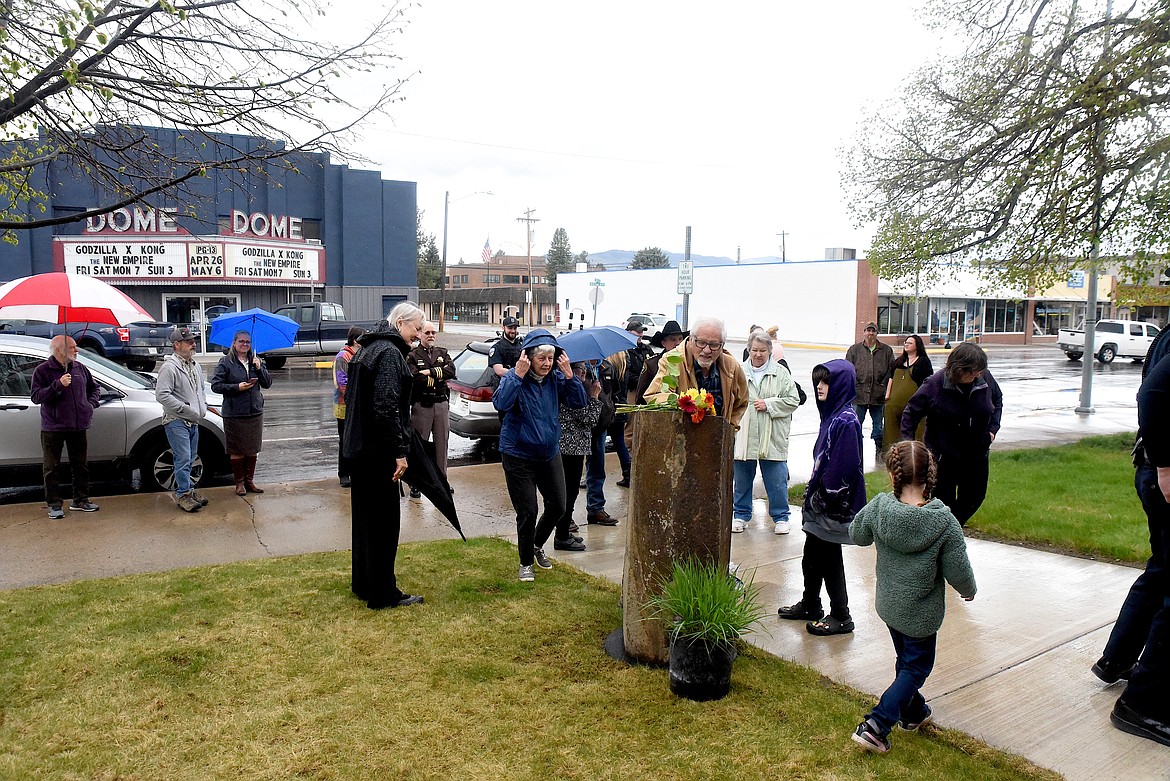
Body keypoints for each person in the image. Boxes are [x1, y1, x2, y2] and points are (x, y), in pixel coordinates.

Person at [848, 440, 977, 753]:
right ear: (930, 476)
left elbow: (857, 534)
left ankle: (913, 713)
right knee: (916, 668)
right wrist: (968, 590)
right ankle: (877, 724)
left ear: (894, 475)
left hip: (891, 605)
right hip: (920, 614)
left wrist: (872, 517)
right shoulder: (944, 522)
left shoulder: (880, 507)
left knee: (907, 664)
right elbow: (957, 567)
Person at [1094, 348, 1170, 747]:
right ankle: (1144, 704)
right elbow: (1152, 395)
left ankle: (1117, 660)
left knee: (1162, 570)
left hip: (1152, 469)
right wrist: (1165, 464)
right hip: (1162, 475)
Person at [342, 303, 426, 610]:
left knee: (366, 521)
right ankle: (383, 592)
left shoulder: (368, 347)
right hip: (378, 453)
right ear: (400, 322)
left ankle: (365, 584)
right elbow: (386, 407)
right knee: (384, 523)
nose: (418, 336)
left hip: (361, 450)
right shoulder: (389, 353)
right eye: (416, 329)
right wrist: (399, 452)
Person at [778, 359, 865, 636]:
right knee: (811, 555)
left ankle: (841, 615)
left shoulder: (847, 420)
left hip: (833, 504)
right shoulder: (832, 415)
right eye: (818, 381)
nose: (819, 386)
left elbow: (844, 467)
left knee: (829, 557)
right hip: (820, 501)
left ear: (839, 385)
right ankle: (811, 603)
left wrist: (823, 498)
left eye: (826, 381)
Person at [493, 328, 587, 582]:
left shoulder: (556, 379)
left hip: (548, 453)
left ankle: (535, 544)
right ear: (528, 358)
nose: (546, 364)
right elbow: (500, 403)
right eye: (541, 358)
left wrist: (570, 376)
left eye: (550, 358)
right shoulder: (515, 377)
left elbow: (579, 402)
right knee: (528, 511)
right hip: (518, 455)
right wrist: (518, 375)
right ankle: (525, 563)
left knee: (558, 505)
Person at [901, 343, 1002, 526]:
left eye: (979, 371)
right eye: (971, 372)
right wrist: (909, 447)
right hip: (943, 457)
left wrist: (992, 430)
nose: (976, 376)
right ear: (958, 369)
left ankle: (951, 530)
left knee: (974, 498)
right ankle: (946, 536)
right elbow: (911, 413)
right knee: (942, 502)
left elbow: (997, 400)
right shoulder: (935, 384)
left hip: (976, 454)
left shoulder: (984, 378)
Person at [732, 329, 801, 535]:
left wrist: (769, 405)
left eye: (763, 350)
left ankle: (781, 517)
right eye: (754, 350)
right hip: (745, 435)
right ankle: (741, 514)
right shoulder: (739, 371)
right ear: (749, 350)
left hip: (772, 437)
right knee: (742, 479)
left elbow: (793, 400)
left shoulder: (781, 373)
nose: (758, 354)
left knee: (776, 480)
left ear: (770, 351)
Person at [29, 335, 101, 518]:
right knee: (52, 467)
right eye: (72, 348)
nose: (76, 351)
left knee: (80, 465)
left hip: (78, 425)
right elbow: (36, 397)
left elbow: (94, 388)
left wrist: (90, 404)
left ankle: (81, 499)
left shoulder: (80, 368)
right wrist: (58, 385)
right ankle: (54, 503)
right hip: (53, 427)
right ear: (59, 350)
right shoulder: (43, 370)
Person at [645, 316, 749, 431]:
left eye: (714, 345)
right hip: (682, 440)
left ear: (722, 346)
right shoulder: (673, 361)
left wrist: (729, 429)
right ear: (690, 340)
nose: (707, 350)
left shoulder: (731, 366)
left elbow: (742, 401)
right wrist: (687, 405)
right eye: (701, 343)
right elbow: (655, 396)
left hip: (717, 441)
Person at [210, 330, 272, 496]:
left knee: (252, 448)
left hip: (254, 412)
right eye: (242, 342)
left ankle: (249, 481)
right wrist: (237, 387)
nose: (245, 345)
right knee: (237, 449)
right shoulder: (226, 362)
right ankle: (239, 483)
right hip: (235, 413)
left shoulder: (255, 361)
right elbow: (216, 386)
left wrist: (259, 368)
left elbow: (267, 383)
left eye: (248, 342)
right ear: (234, 343)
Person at [155, 326, 209, 513]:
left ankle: (189, 490)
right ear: (176, 345)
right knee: (183, 457)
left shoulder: (195, 365)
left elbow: (200, 389)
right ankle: (183, 494)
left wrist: (202, 405)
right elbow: (162, 395)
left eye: (193, 341)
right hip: (176, 420)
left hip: (193, 420)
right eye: (188, 342)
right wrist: (185, 408)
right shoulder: (169, 367)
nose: (193, 344)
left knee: (191, 457)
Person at [556, 361, 602, 548]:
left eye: (583, 369)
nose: (582, 373)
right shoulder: (571, 390)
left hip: (573, 446)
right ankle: (561, 535)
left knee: (571, 491)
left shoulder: (573, 387)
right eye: (578, 370)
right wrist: (595, 397)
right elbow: (589, 418)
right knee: (568, 491)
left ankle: (565, 530)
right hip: (570, 447)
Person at [407, 320, 452, 499]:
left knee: (442, 445)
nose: (431, 335)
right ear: (419, 335)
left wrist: (430, 372)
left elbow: (452, 371)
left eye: (433, 332)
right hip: (422, 406)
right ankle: (416, 483)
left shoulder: (443, 352)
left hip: (441, 404)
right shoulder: (412, 355)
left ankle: (442, 482)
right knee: (419, 446)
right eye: (427, 333)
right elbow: (415, 378)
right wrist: (438, 374)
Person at [585, 351, 630, 525]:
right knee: (570, 474)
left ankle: (596, 509)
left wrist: (609, 412)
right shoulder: (578, 369)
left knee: (597, 468)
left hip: (600, 425)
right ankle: (566, 516)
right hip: (580, 426)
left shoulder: (606, 368)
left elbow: (613, 392)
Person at [845, 321, 895, 457]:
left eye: (873, 331)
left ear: (877, 333)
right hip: (859, 395)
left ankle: (879, 454)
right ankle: (855, 452)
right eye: (868, 330)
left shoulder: (886, 350)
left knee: (878, 426)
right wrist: (854, 385)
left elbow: (892, 370)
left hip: (878, 396)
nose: (870, 333)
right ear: (864, 332)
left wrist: (883, 385)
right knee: (856, 425)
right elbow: (848, 369)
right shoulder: (854, 350)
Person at [882, 334, 934, 450]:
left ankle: (915, 455)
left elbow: (927, 383)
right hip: (893, 405)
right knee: (891, 434)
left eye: (910, 343)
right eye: (906, 342)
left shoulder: (923, 362)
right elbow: (890, 378)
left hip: (913, 406)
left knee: (916, 434)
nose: (906, 344)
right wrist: (887, 396)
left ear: (917, 346)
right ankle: (893, 455)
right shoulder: (899, 362)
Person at [332, 326, 365, 488]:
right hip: (345, 406)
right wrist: (353, 399)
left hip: (359, 405)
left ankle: (356, 470)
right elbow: (341, 383)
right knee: (345, 440)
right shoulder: (342, 357)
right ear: (354, 340)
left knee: (358, 440)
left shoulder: (362, 355)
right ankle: (344, 473)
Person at [621, 321, 653, 460]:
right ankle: (629, 454)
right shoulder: (624, 350)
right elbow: (625, 374)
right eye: (637, 332)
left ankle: (640, 451)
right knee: (630, 423)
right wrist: (641, 379)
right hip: (632, 391)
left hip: (646, 391)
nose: (640, 335)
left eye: (641, 332)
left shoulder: (646, 349)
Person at [488, 315, 523, 381]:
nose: (513, 331)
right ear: (503, 328)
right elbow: (499, 371)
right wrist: (519, 373)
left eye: (515, 328)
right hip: (504, 386)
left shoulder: (521, 346)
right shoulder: (497, 348)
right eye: (510, 328)